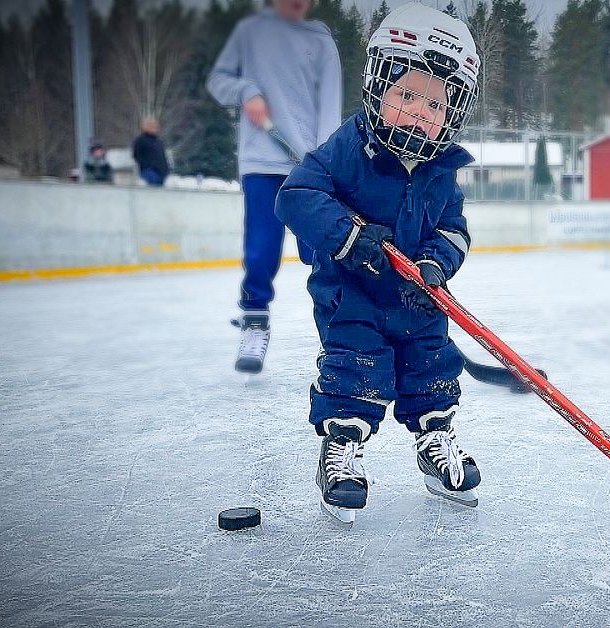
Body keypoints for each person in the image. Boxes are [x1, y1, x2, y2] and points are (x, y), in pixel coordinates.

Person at [275, 4, 481, 524]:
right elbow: (296, 196)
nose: (418, 111)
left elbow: (454, 230)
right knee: (355, 369)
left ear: (452, 115)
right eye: (406, 94)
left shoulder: (442, 171)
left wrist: (436, 264)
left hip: (418, 298)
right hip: (354, 295)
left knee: (431, 369)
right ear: (378, 86)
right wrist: (350, 237)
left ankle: (435, 445)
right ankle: (341, 452)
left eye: (434, 104)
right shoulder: (349, 149)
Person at [207, 0, 341, 374]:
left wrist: (324, 164)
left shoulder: (321, 42)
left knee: (323, 254)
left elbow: (330, 109)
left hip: (310, 169)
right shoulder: (251, 33)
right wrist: (246, 90)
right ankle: (254, 321)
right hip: (261, 163)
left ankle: (340, 335)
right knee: (262, 248)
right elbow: (219, 83)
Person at [131, 117, 170, 187]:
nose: (155, 129)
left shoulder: (158, 141)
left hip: (161, 172)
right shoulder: (141, 140)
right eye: (152, 126)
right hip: (149, 171)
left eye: (156, 127)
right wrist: (147, 164)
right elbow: (136, 155)